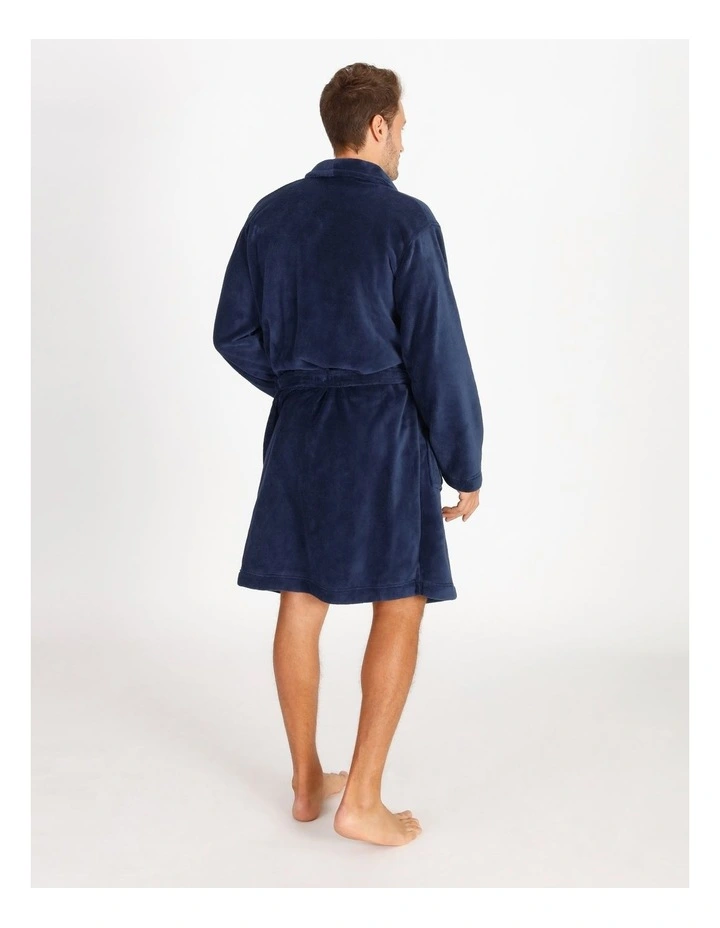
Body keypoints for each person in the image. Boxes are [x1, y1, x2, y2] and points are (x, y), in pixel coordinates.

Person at [213, 62, 484, 847]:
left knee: (301, 597)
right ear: (376, 125)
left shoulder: (272, 215)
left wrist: (302, 385)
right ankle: (360, 799)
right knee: (400, 598)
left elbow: (232, 332)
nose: (404, 143)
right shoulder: (406, 222)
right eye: (401, 128)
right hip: (383, 435)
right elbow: (438, 354)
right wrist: (464, 463)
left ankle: (307, 782)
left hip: (300, 433)